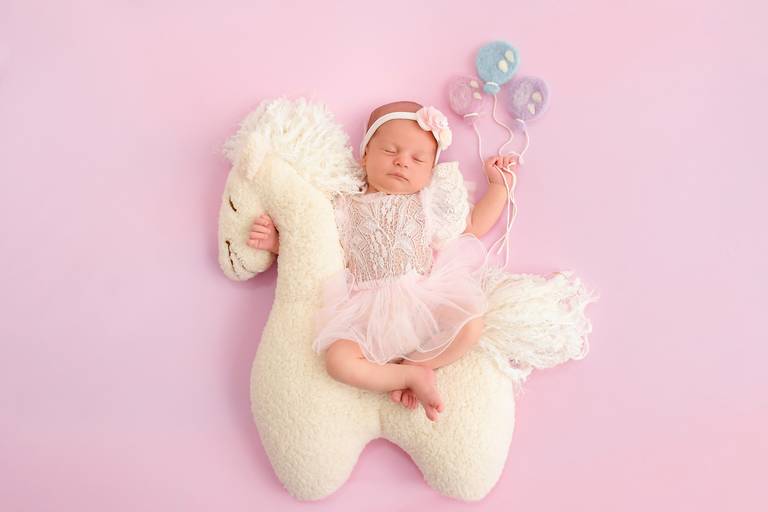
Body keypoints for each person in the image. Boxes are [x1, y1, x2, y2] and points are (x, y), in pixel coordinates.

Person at [247, 101, 517, 421]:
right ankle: (406, 377)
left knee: (472, 323)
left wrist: (498, 186)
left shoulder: (426, 204)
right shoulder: (343, 206)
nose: (402, 161)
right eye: (390, 151)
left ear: (430, 172)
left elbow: (473, 226)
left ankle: (417, 365)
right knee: (338, 362)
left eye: (418, 159)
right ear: (365, 155)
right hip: (367, 311)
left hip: (422, 299)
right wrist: (278, 243)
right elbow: (317, 248)